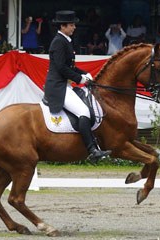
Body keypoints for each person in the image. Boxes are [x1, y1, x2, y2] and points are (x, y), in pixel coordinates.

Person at [43, 10, 111, 162]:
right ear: (63, 26)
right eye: (72, 25)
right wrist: (80, 79)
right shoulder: (58, 42)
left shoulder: (65, 40)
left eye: (74, 24)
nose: (74, 27)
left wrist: (85, 73)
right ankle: (92, 150)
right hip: (58, 87)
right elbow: (61, 67)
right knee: (84, 111)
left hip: (64, 85)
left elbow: (70, 67)